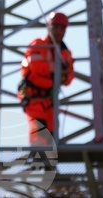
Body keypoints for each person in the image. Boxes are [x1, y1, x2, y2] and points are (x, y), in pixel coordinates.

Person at [17, 12, 75, 146]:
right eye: (56, 27)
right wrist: (57, 68)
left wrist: (62, 73)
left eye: (62, 28)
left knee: (52, 135)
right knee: (39, 130)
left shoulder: (65, 53)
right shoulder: (38, 44)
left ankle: (48, 165)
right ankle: (37, 161)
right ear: (49, 27)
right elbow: (36, 67)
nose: (59, 31)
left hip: (50, 101)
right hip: (33, 97)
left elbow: (69, 77)